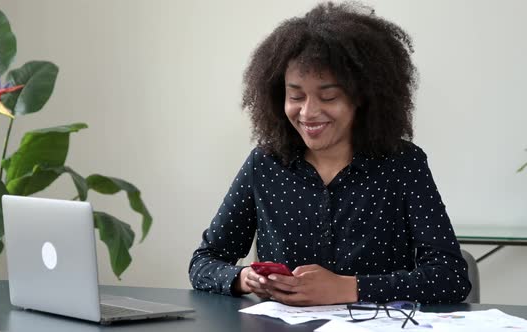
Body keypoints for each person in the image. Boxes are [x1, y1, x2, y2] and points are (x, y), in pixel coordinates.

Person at [188, 1, 471, 306]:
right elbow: (204, 261)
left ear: (362, 96)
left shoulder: (402, 165)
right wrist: (244, 279)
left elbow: (450, 277)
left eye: (329, 96)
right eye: (295, 95)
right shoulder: (265, 164)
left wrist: (348, 288)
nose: (308, 112)